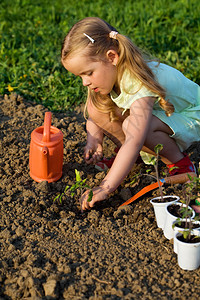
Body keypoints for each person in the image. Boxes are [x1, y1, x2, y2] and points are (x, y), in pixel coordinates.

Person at [61, 17, 200, 211]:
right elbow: (95, 113)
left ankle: (181, 165)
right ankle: (130, 159)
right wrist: (95, 139)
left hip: (191, 115)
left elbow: (135, 138)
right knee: (96, 107)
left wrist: (105, 187)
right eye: (80, 76)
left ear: (111, 57)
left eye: (88, 73)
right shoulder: (109, 74)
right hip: (165, 114)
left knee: (134, 128)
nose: (85, 81)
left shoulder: (137, 82)